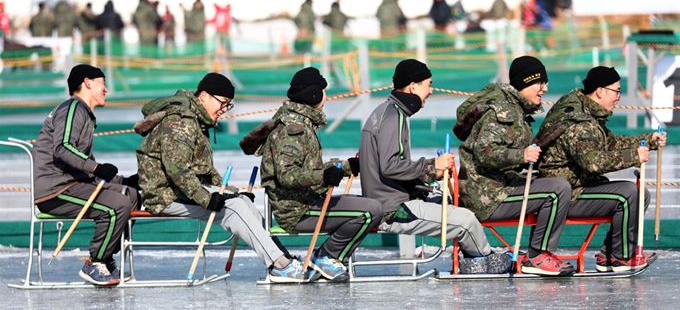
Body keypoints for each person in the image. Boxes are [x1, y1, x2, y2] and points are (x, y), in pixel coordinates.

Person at [134, 72, 308, 283]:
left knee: (241, 201)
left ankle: (284, 257)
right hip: (164, 196)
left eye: (228, 105)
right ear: (204, 96)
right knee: (234, 209)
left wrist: (233, 192)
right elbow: (178, 170)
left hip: (181, 192)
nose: (224, 110)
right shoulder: (181, 121)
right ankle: (279, 265)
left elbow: (203, 170)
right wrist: (208, 199)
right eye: (223, 103)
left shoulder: (196, 120)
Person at [359, 59, 510, 274]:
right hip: (392, 209)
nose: (430, 91)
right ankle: (484, 260)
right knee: (466, 220)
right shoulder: (394, 117)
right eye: (428, 84)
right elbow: (390, 166)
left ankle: (473, 255)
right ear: (413, 86)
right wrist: (431, 166)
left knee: (455, 202)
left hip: (391, 198)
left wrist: (429, 176)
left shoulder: (386, 111)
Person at [240, 67, 382, 282]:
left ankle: (327, 255)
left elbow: (308, 167)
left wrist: (344, 167)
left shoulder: (301, 124)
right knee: (371, 210)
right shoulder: (293, 129)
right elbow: (286, 175)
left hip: (309, 201)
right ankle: (327, 256)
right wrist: (323, 177)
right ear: (314, 94)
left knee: (368, 205)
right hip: (298, 211)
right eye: (324, 91)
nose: (327, 97)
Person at [453, 55, 574, 276]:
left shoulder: (515, 109)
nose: (544, 89)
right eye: (540, 83)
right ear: (526, 82)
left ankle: (540, 253)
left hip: (500, 187)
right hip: (488, 196)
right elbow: (485, 152)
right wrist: (522, 154)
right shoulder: (503, 111)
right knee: (557, 189)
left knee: (556, 183)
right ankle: (538, 255)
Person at [536, 66, 666, 272]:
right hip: (568, 194)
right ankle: (620, 257)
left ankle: (609, 254)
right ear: (600, 91)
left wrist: (646, 140)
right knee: (629, 194)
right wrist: (634, 155)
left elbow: (610, 143)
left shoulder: (587, 114)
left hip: (578, 186)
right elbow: (593, 162)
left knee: (639, 194)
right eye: (617, 91)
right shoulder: (579, 121)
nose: (618, 98)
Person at [31, 64, 140, 286]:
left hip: (73, 185)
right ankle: (94, 262)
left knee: (130, 194)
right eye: (103, 82)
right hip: (56, 191)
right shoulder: (72, 108)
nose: (106, 89)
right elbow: (62, 147)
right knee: (117, 204)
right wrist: (97, 168)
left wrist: (123, 181)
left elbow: (82, 166)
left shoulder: (84, 115)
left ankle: (106, 257)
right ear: (88, 83)